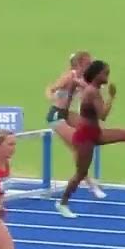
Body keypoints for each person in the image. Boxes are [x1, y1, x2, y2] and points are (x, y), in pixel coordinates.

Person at [55, 59, 125, 219]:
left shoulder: (91, 88)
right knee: (80, 173)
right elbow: (103, 115)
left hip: (95, 133)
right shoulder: (93, 92)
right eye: (105, 73)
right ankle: (62, 203)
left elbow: (81, 84)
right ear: (97, 75)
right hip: (86, 137)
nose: (108, 76)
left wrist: (75, 84)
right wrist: (112, 97)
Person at [45, 52, 106, 198]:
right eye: (88, 63)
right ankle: (91, 185)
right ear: (79, 64)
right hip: (57, 115)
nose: (91, 65)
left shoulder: (83, 78)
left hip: (67, 114)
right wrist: (53, 97)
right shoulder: (68, 76)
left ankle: (88, 180)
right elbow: (50, 89)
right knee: (78, 148)